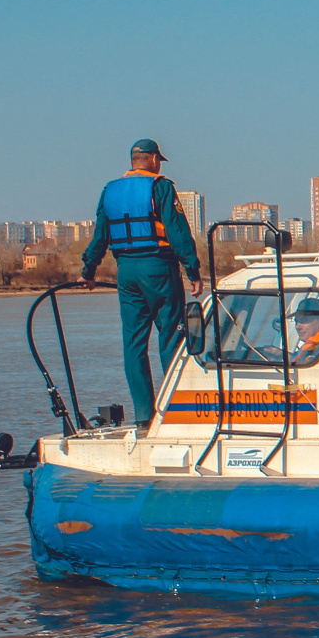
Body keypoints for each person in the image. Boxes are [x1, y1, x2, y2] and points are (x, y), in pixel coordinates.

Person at [80, 138, 203, 431]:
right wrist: (193, 270)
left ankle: (144, 416)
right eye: (158, 159)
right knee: (171, 336)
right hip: (158, 267)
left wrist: (89, 270)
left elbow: (100, 235)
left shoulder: (109, 191)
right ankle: (176, 408)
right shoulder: (160, 187)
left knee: (133, 343)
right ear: (150, 160)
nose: (159, 164)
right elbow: (177, 231)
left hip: (126, 271)